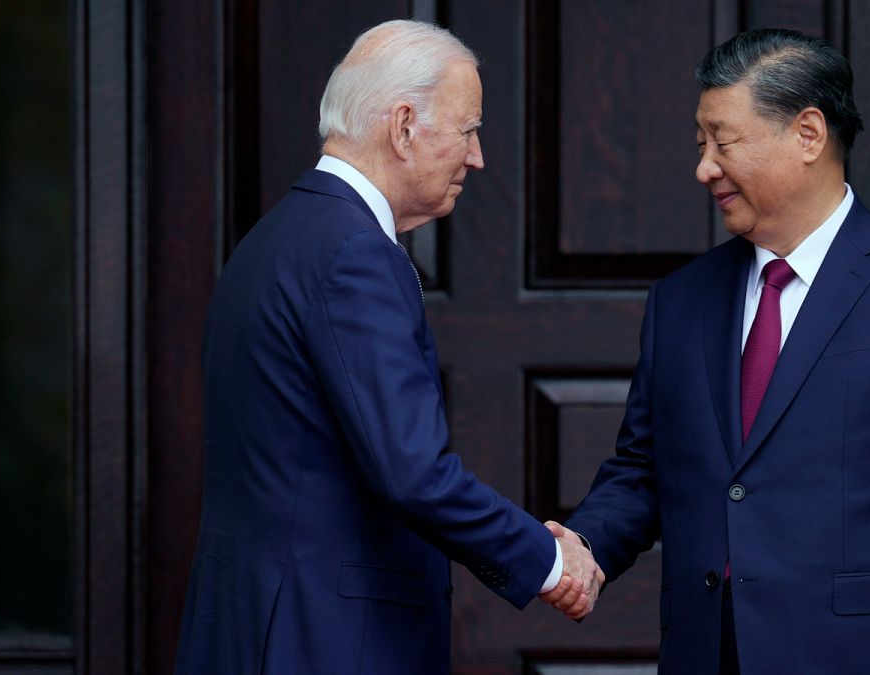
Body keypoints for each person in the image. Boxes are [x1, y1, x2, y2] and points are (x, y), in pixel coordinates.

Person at [551, 28, 870, 674]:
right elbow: (643, 470)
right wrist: (582, 545)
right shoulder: (681, 301)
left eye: (723, 142)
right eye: (700, 145)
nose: (704, 167)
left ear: (808, 134)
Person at [174, 20, 601, 675]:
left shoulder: (273, 239)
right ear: (404, 126)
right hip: (325, 640)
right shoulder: (355, 254)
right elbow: (413, 472)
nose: (478, 156)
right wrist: (546, 561)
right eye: (468, 130)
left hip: (251, 627)